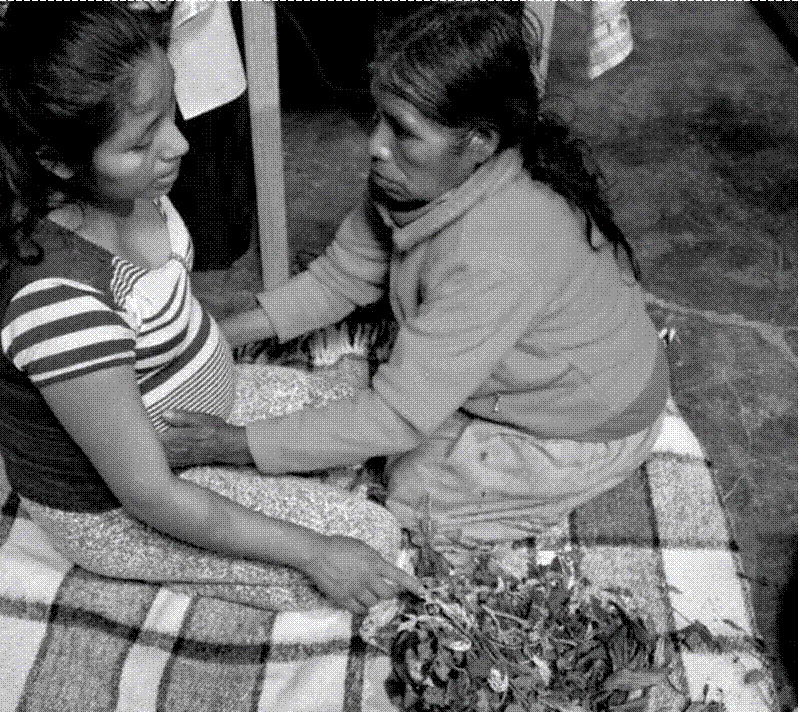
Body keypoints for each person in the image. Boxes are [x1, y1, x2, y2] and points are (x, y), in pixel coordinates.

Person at [0, 1, 421, 614]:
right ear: (57, 160)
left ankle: (256, 481)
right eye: (142, 140)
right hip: (121, 505)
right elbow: (150, 492)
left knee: (357, 416)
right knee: (368, 540)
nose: (179, 144)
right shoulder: (58, 302)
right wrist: (315, 552)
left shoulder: (126, 186)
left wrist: (228, 428)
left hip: (192, 417)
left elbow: (164, 313)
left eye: (171, 112)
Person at [159, 1, 670, 545]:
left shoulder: (503, 246)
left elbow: (395, 416)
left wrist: (234, 444)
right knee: (379, 423)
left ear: (480, 141)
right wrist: (213, 334)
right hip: (524, 374)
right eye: (378, 116)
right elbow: (339, 279)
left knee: (410, 497)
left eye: (403, 131)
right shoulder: (417, 178)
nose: (375, 145)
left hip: (586, 426)